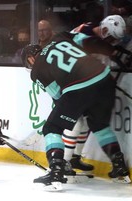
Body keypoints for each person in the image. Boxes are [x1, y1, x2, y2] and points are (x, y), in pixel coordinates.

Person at [21, 32, 131, 191]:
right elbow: (88, 41)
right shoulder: (59, 38)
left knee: (52, 128)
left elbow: (58, 96)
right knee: (99, 126)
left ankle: (56, 171)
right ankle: (120, 169)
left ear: (31, 59)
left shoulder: (37, 70)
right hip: (104, 77)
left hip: (79, 87)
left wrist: (71, 110)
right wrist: (113, 53)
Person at [63, 15, 127, 174]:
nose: (114, 42)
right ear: (105, 30)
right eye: (112, 38)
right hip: (71, 82)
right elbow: (89, 48)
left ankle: (74, 158)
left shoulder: (92, 32)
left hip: (86, 84)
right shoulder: (85, 37)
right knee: (75, 120)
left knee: (85, 122)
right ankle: (63, 162)